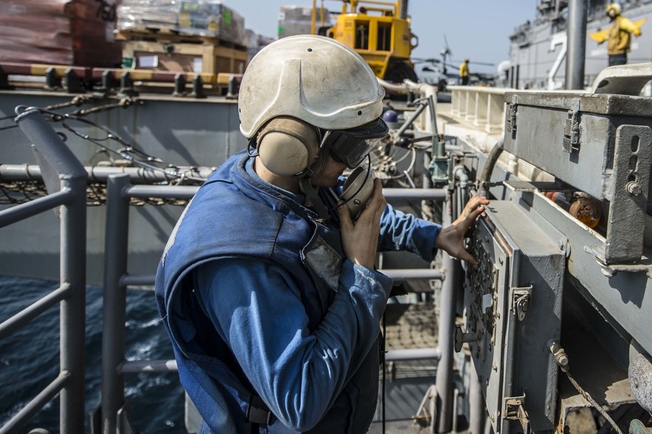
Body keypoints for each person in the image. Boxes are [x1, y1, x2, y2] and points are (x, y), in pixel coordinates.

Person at [155, 35, 488, 434]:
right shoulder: (242, 263)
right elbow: (300, 401)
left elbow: (343, 217)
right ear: (291, 143)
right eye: (348, 147)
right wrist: (362, 274)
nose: (354, 164)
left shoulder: (285, 181)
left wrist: (435, 235)